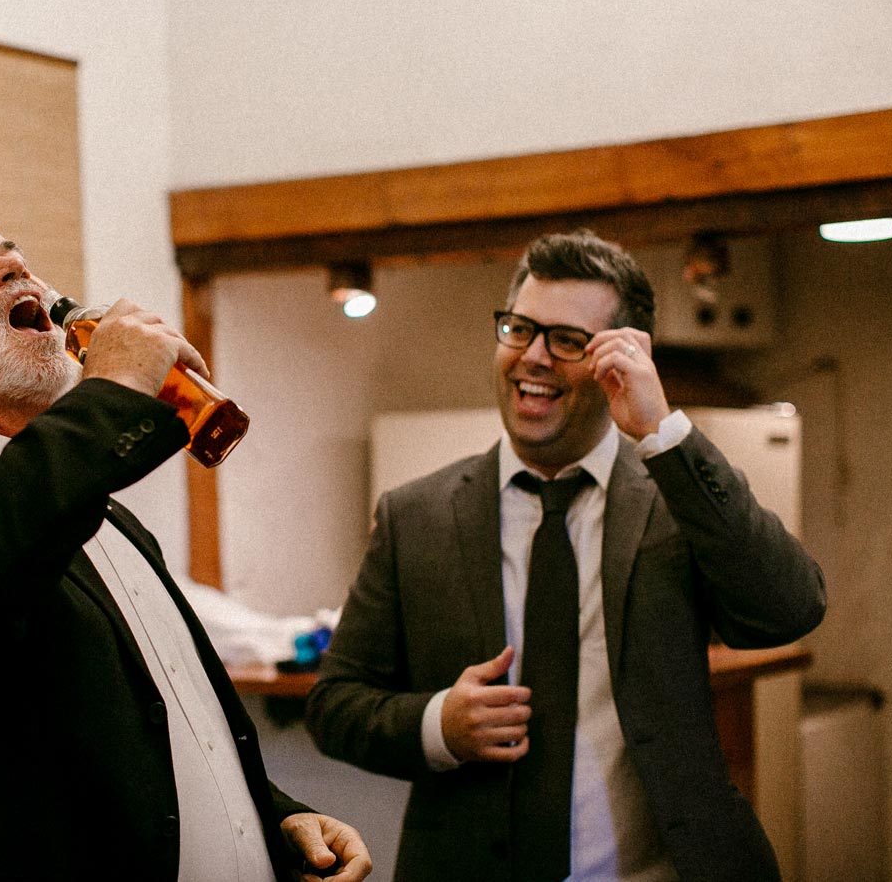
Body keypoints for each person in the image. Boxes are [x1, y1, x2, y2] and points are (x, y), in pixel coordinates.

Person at [0, 219, 372, 882]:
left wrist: (272, 818)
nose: (14, 269)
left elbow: (171, 723)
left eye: (13, 257)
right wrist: (113, 388)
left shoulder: (107, 514)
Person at [305, 230, 826, 881]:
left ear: (622, 359)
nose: (534, 356)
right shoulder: (416, 515)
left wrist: (664, 430)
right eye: (520, 329)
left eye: (568, 340)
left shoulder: (674, 498)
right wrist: (439, 725)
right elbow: (334, 704)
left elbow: (789, 608)